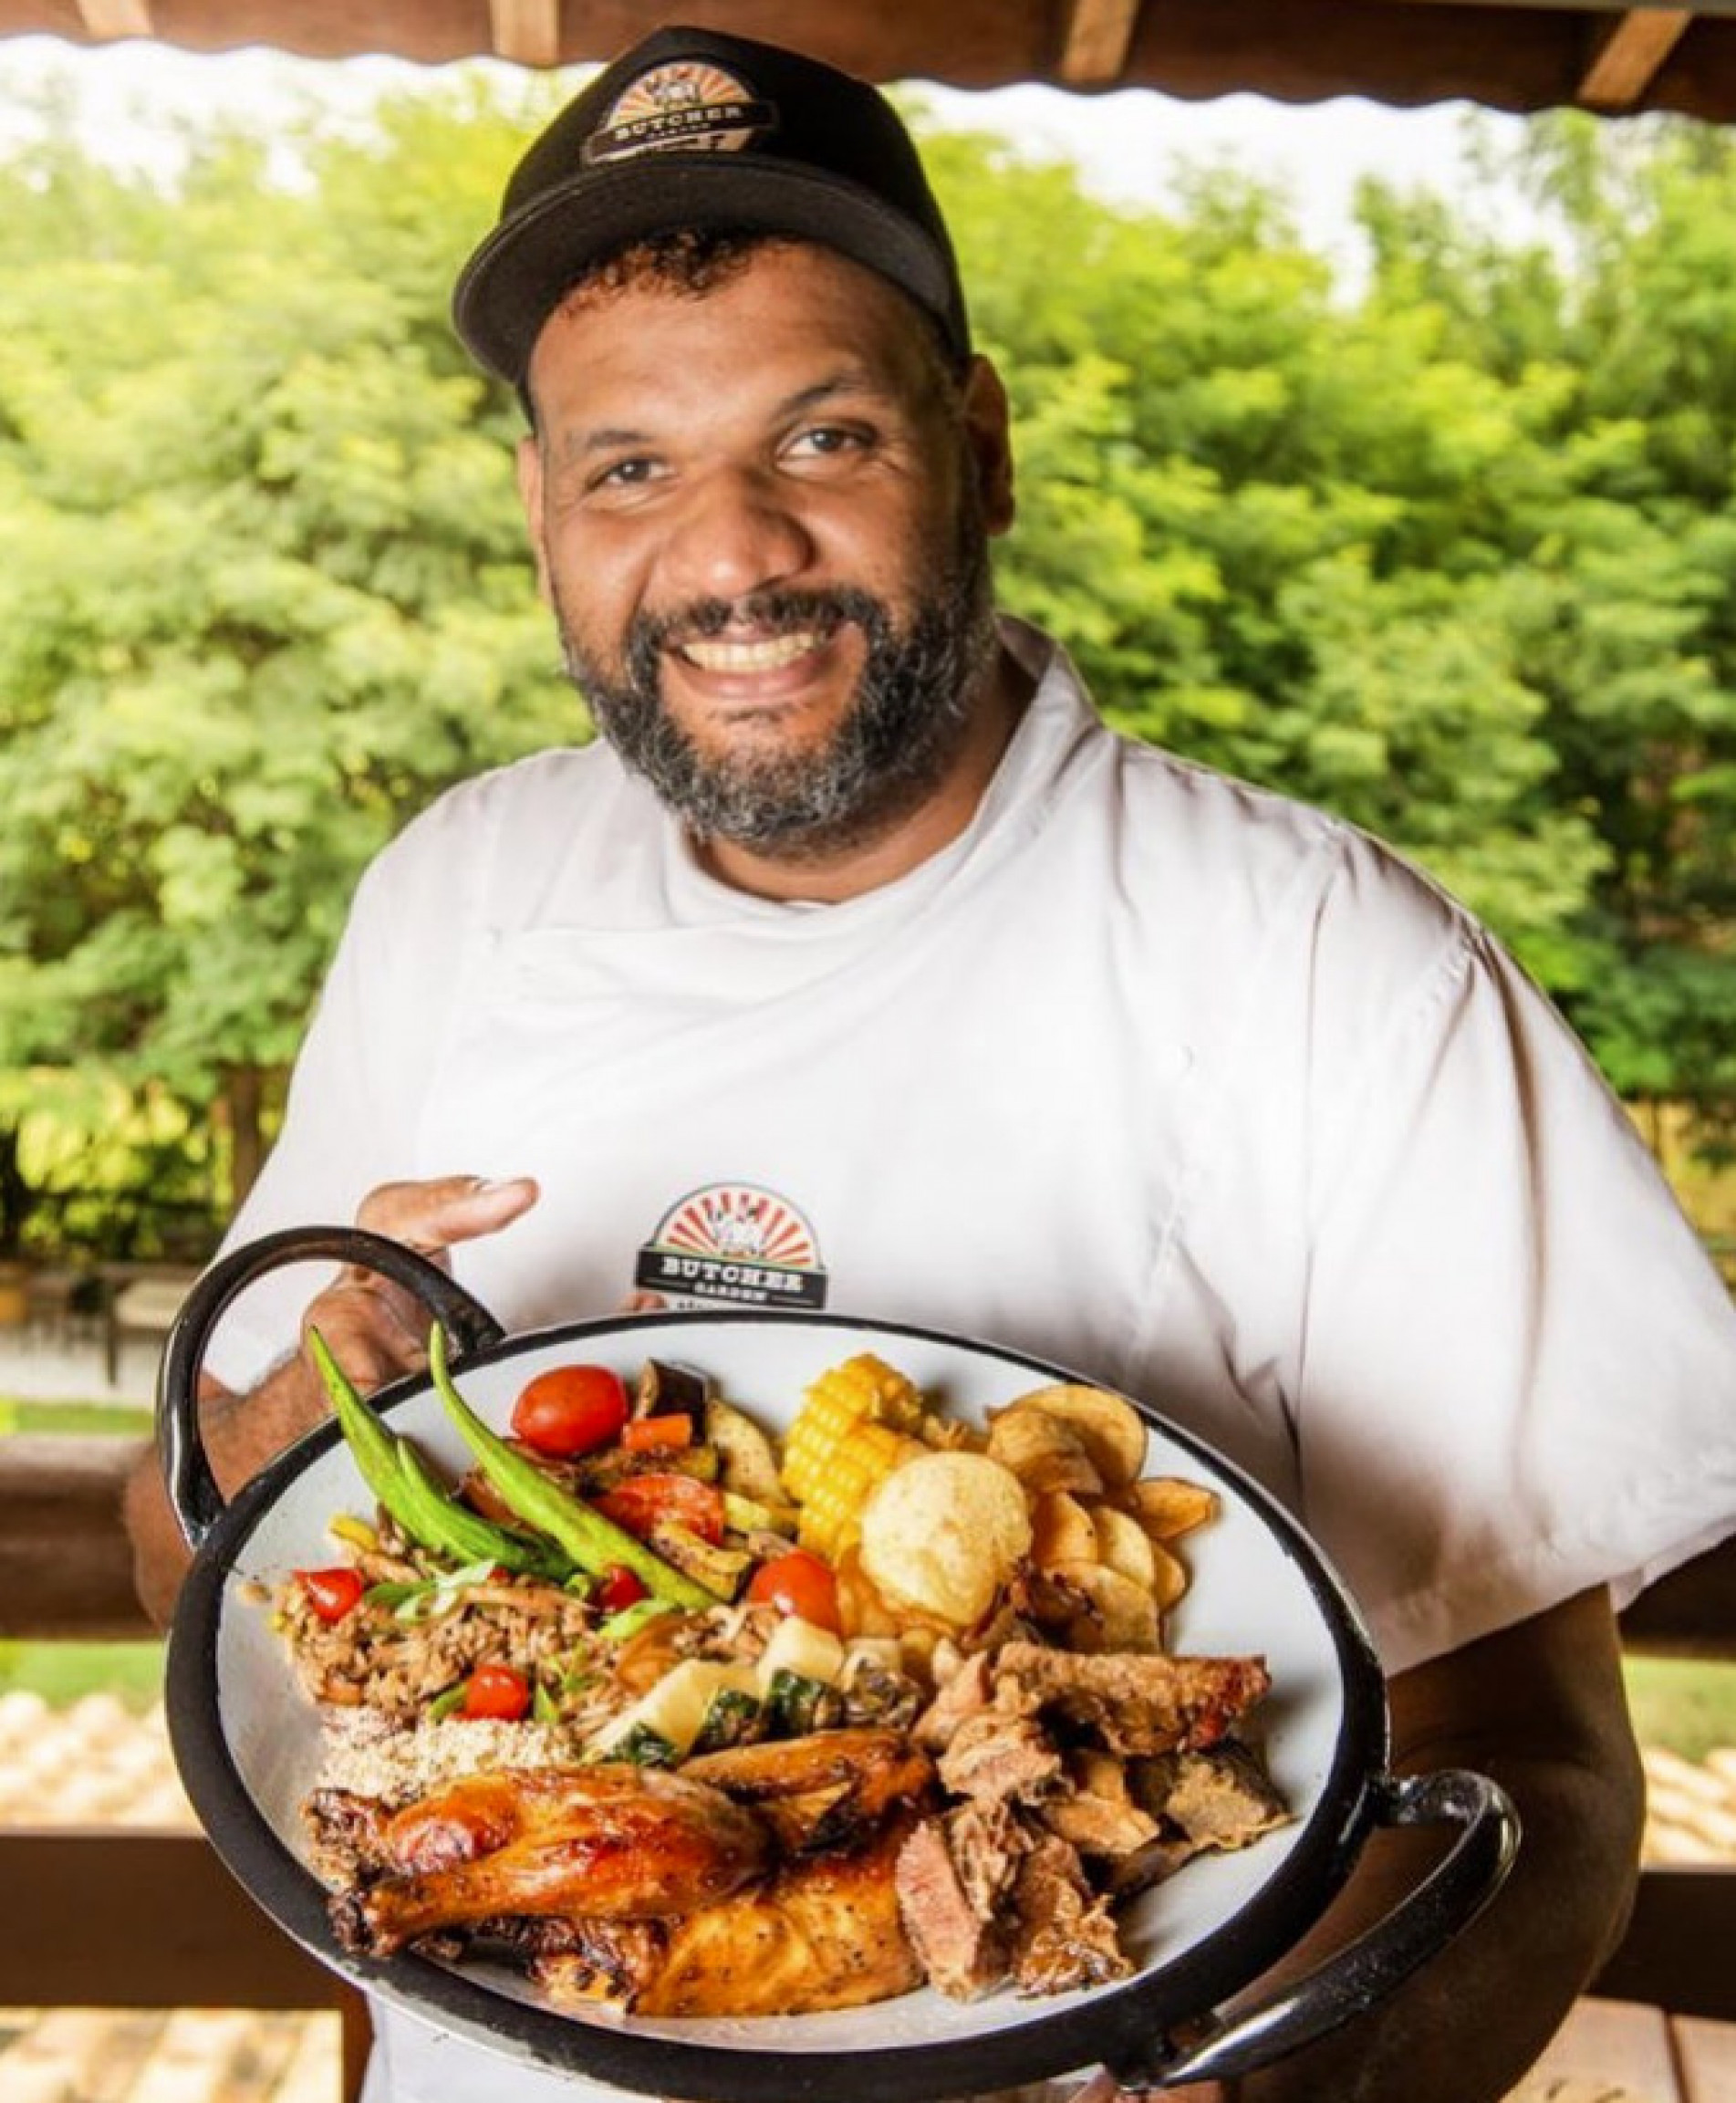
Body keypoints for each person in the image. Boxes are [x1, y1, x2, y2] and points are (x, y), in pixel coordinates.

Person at [125, 23, 1736, 2103]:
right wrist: (268, 1433)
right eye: (629, 466)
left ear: (976, 440)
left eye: (822, 441)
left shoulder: (1331, 961)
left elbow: (1542, 1781)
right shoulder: (456, 890)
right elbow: (204, 1563)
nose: (728, 557)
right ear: (540, 507)